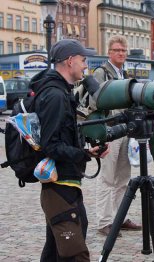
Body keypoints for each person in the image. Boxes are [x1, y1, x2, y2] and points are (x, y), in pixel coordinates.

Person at [37, 39, 109, 261]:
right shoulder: (56, 96)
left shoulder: (61, 91)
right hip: (60, 185)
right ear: (70, 61)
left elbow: (62, 136)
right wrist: (83, 154)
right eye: (83, 60)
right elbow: (51, 145)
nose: (85, 66)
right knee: (74, 253)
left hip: (65, 183)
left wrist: (87, 151)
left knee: (54, 251)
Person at [94, 35, 141, 237]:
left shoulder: (125, 73)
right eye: (117, 50)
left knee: (123, 177)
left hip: (125, 130)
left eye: (123, 50)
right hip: (110, 130)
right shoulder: (101, 72)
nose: (121, 53)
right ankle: (104, 221)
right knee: (107, 177)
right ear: (109, 52)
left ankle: (120, 217)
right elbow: (96, 101)